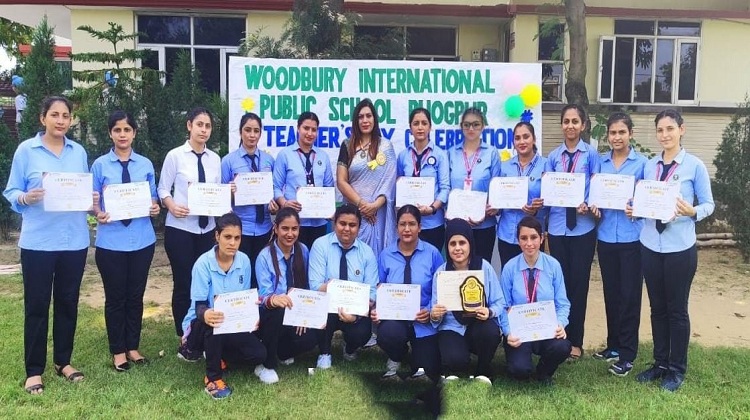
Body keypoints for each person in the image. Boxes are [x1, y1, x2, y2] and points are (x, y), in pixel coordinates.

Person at [3, 96, 96, 394]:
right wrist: (26, 197)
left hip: (74, 240)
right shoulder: (26, 150)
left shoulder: (78, 152)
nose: (60, 120)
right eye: (54, 115)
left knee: (68, 302)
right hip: (39, 243)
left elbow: (82, 192)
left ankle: (63, 362)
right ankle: (34, 371)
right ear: (42, 118)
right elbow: (11, 191)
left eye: (65, 115)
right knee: (37, 305)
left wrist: (90, 200)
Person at [627, 109, 714, 392]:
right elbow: (644, 202)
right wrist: (634, 210)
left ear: (681, 130)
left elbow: (709, 205)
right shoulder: (650, 166)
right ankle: (660, 363)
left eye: (670, 129)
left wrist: (692, 211)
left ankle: (676, 369)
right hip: (651, 245)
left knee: (677, 310)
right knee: (657, 309)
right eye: (660, 130)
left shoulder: (694, 166)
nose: (665, 135)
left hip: (679, 248)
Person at [91, 111, 161, 371]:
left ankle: (133, 346)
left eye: (127, 130)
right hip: (111, 243)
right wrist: (97, 211)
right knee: (115, 298)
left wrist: (155, 207)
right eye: (117, 130)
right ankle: (118, 351)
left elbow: (153, 197)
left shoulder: (145, 164)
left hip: (142, 240)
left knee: (135, 296)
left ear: (134, 133)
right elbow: (92, 200)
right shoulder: (99, 165)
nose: (122, 135)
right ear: (110, 133)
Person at [180, 213, 267, 399]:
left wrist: (251, 316)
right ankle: (213, 378)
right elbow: (199, 306)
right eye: (227, 237)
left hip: (231, 323)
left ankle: (218, 355)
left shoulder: (244, 261)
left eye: (237, 238)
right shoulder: (203, 264)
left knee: (259, 354)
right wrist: (206, 314)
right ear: (217, 236)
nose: (232, 243)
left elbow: (242, 300)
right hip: (201, 323)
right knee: (214, 321)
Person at [588, 113, 647, 377]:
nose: (617, 137)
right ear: (607, 136)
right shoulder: (601, 163)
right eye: (612, 133)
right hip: (606, 238)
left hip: (632, 238)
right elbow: (594, 195)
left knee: (629, 296)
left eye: (622, 132)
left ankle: (627, 354)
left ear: (630, 134)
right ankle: (613, 345)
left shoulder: (642, 164)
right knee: (611, 293)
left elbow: (649, 199)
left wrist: (638, 207)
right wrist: (594, 207)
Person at [158, 107, 222, 341]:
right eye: (199, 125)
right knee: (184, 281)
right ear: (189, 126)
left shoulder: (215, 159)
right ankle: (183, 333)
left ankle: (203, 327)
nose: (203, 130)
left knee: (206, 280)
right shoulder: (175, 156)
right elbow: (163, 188)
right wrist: (171, 205)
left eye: (207, 126)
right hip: (181, 229)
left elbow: (217, 191)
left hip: (208, 230)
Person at [544, 104, 600, 360]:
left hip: (582, 229)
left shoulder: (591, 155)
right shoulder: (553, 157)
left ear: (583, 125)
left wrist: (588, 203)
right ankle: (559, 337)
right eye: (566, 121)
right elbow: (549, 192)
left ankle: (576, 342)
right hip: (557, 227)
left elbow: (597, 187)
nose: (570, 126)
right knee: (560, 285)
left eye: (575, 121)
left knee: (579, 285)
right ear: (561, 125)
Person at [429, 218, 504, 385]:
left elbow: (499, 302)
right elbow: (434, 310)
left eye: (462, 243)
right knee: (456, 361)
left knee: (490, 332)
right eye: (452, 243)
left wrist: (489, 311)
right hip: (451, 327)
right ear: (447, 247)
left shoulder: (484, 267)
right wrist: (434, 314)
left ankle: (483, 370)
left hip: (478, 324)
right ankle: (456, 360)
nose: (457, 248)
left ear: (470, 243)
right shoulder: (441, 273)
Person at [373, 205, 444, 380]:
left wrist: (429, 310)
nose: (407, 229)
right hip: (395, 319)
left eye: (411, 224)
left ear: (419, 227)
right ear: (396, 227)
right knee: (387, 335)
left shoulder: (433, 254)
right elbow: (379, 287)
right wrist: (377, 309)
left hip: (424, 321)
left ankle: (419, 356)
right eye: (402, 224)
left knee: (427, 369)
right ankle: (397, 354)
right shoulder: (386, 255)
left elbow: (440, 289)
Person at [500, 216, 572, 385]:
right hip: (519, 332)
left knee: (562, 347)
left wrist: (560, 324)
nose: (529, 243)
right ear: (518, 241)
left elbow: (563, 303)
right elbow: (503, 306)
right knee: (520, 371)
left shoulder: (553, 265)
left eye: (533, 237)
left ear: (542, 238)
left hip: (546, 329)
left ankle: (543, 372)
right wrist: (508, 332)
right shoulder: (510, 267)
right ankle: (521, 363)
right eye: (523, 238)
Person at [308, 204, 378, 369]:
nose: (347, 229)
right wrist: (334, 287)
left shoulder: (367, 252)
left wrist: (356, 315)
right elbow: (315, 286)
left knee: (362, 332)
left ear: (359, 228)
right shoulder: (320, 245)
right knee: (320, 312)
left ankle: (350, 348)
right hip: (327, 305)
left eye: (352, 225)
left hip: (355, 309)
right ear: (334, 224)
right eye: (342, 223)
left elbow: (372, 292)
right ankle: (325, 353)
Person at [256, 207, 319, 383]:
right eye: (285, 228)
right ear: (275, 228)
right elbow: (264, 296)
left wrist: (303, 315)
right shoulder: (264, 256)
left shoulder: (303, 250)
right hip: (272, 313)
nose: (290, 234)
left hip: (296, 312)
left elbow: (307, 287)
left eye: (294, 229)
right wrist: (275, 300)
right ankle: (267, 365)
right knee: (277, 311)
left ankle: (282, 352)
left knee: (311, 339)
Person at [222, 112, 278, 288]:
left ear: (260, 133)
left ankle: (260, 304)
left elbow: (274, 191)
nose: (252, 135)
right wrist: (229, 191)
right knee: (241, 274)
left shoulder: (269, 160)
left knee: (261, 273)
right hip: (241, 229)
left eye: (256, 131)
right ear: (240, 132)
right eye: (247, 130)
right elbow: (221, 197)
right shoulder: (228, 161)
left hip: (265, 228)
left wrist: (274, 206)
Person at [337, 98, 398, 256]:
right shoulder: (347, 145)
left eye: (368, 116)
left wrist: (375, 205)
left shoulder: (385, 146)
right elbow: (341, 181)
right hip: (354, 211)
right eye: (360, 117)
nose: (365, 120)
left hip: (379, 213)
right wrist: (363, 206)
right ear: (356, 121)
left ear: (374, 119)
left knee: (379, 255)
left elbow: (390, 181)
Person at [447, 107, 501, 263]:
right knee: (457, 269)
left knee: (481, 268)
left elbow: (496, 188)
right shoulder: (451, 153)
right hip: (457, 225)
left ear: (483, 126)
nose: (471, 129)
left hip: (484, 225)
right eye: (467, 125)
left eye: (476, 124)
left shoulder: (491, 153)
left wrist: (493, 207)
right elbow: (446, 187)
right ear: (461, 127)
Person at [273, 112, 334, 249]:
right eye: (306, 128)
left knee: (317, 257)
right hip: (294, 222)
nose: (310, 133)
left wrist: (329, 208)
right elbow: (275, 187)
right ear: (298, 128)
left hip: (319, 222)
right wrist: (284, 203)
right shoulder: (285, 155)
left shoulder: (323, 156)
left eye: (314, 130)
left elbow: (329, 187)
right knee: (296, 258)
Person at [396, 108, 450, 251]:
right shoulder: (403, 156)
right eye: (416, 123)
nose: (420, 127)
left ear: (430, 127)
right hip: (408, 224)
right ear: (410, 128)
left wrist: (432, 209)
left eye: (424, 123)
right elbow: (398, 184)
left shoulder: (440, 155)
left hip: (432, 223)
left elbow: (445, 188)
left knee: (431, 261)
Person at [496, 122, 547, 267]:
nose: (522, 141)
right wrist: (495, 207)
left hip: (533, 236)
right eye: (517, 138)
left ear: (534, 139)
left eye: (526, 136)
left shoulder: (546, 165)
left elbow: (551, 201)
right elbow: (499, 199)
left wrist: (537, 210)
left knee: (533, 276)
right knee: (509, 274)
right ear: (513, 142)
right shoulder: (504, 167)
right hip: (507, 234)